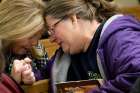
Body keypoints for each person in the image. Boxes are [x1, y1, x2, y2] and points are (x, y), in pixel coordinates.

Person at [44, 0, 140, 92]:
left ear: (73, 19)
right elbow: (43, 73)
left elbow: (136, 76)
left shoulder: (120, 39)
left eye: (53, 29)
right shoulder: (65, 54)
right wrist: (29, 75)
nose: (51, 39)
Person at [0, 0, 46, 92]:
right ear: (12, 28)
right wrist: (11, 81)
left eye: (38, 36)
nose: (34, 43)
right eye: (31, 36)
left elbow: (46, 79)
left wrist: (32, 77)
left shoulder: (37, 50)